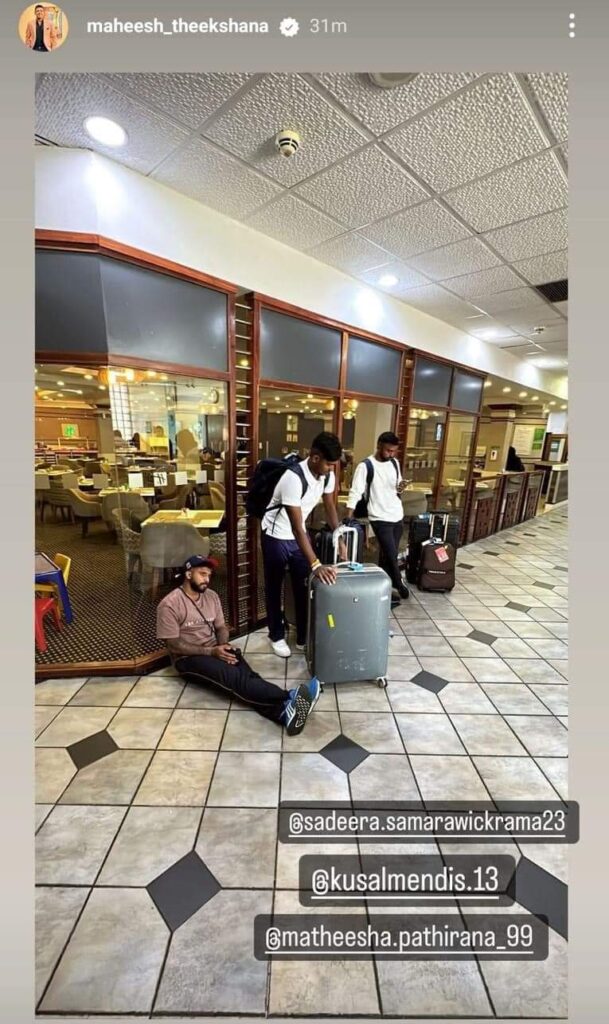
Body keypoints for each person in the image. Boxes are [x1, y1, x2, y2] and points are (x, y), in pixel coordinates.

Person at [156, 555, 320, 735]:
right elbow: (173, 645)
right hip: (187, 658)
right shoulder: (169, 604)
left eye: (209, 575)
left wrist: (223, 646)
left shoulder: (211, 596)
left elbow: (221, 627)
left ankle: (284, 713)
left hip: (214, 648)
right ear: (188, 574)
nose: (207, 579)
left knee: (248, 677)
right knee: (236, 679)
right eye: (202, 574)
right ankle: (289, 696)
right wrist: (211, 652)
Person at [261, 431, 345, 658]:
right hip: (275, 535)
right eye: (329, 464)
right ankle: (276, 635)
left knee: (303, 585)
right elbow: (297, 527)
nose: (332, 469)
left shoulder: (327, 475)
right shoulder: (293, 478)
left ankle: (301, 635)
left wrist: (339, 536)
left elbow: (329, 506)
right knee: (274, 586)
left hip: (297, 535)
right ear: (315, 457)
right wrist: (316, 564)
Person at [346, 431, 410, 603]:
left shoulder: (394, 463)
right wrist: (348, 517)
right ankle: (399, 584)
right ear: (379, 446)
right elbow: (355, 492)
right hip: (379, 517)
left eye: (394, 451)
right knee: (391, 554)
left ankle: (383, 588)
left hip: (397, 514)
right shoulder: (365, 466)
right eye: (388, 450)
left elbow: (396, 487)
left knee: (389, 554)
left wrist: (401, 487)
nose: (391, 454)